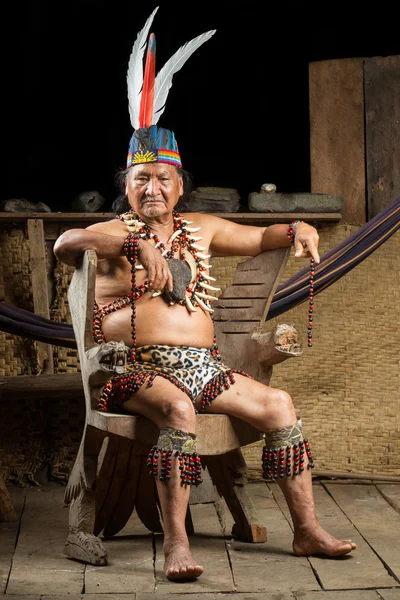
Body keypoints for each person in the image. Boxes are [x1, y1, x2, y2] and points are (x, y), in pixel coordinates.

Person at [53, 9, 357, 582]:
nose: (153, 188)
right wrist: (136, 245)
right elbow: (68, 241)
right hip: (130, 370)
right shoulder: (114, 231)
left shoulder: (201, 227)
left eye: (164, 179)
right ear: (127, 185)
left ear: (180, 184)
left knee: (279, 406)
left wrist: (297, 231)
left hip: (202, 365)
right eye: (141, 180)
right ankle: (175, 545)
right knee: (179, 409)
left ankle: (307, 532)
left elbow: (258, 235)